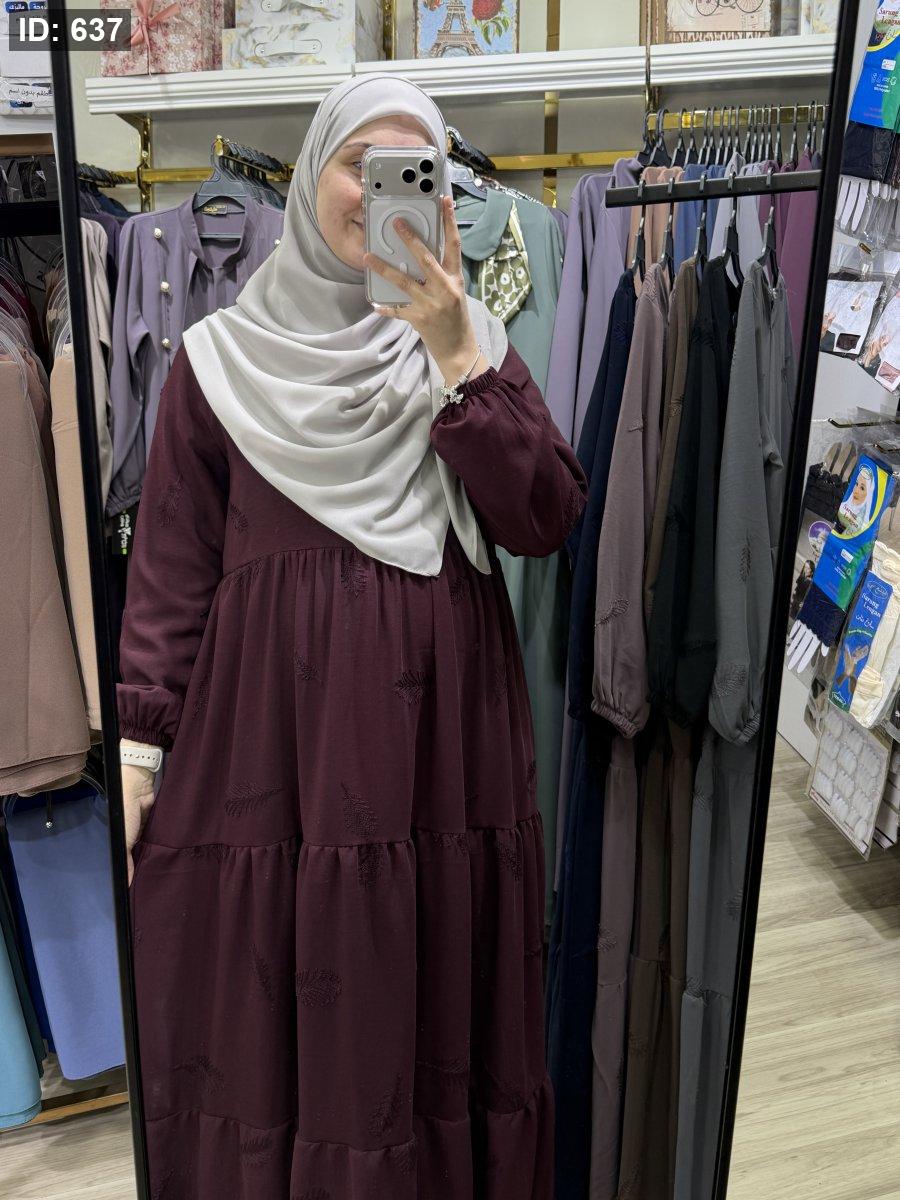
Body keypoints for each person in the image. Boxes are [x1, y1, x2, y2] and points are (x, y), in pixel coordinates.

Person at [117, 72, 587, 1198]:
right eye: (358, 164)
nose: (379, 194)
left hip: (443, 752)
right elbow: (172, 571)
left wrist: (455, 349)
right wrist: (138, 752)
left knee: (429, 1010)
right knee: (287, 1019)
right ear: (309, 177)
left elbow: (544, 517)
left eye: (411, 170)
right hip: (273, 754)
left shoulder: (470, 345)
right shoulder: (216, 362)